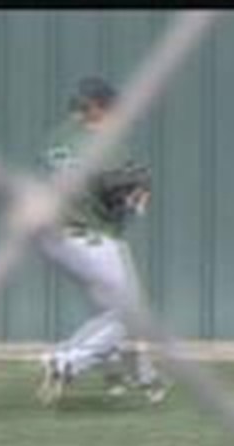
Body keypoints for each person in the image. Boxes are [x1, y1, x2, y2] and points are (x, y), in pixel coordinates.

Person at [35, 75, 169, 407]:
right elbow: (120, 199)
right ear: (95, 107)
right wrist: (137, 195)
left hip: (55, 238)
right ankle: (66, 360)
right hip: (90, 238)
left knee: (115, 312)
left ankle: (138, 376)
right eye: (108, 106)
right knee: (128, 314)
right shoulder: (105, 145)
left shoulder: (57, 137)